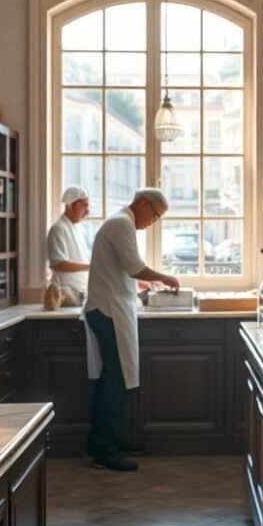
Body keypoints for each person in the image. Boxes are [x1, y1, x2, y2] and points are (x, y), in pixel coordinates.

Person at [83, 188, 179, 471]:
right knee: (115, 381)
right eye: (156, 216)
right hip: (108, 311)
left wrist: (143, 284)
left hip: (111, 309)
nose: (153, 223)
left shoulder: (120, 223)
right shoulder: (120, 223)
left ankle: (105, 441)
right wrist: (167, 278)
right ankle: (105, 452)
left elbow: (121, 271)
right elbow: (134, 266)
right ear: (144, 204)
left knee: (115, 381)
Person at [46, 185, 92, 303]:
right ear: (70, 205)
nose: (88, 211)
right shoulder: (58, 229)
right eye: (84, 205)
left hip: (81, 292)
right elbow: (58, 263)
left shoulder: (79, 229)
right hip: (66, 294)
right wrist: (91, 267)